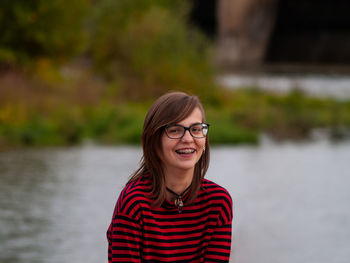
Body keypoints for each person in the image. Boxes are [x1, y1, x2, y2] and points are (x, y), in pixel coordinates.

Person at [107, 91, 233, 262]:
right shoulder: (134, 203)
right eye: (175, 130)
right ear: (154, 140)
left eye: (196, 129)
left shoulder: (218, 202)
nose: (188, 139)